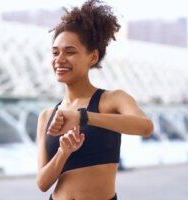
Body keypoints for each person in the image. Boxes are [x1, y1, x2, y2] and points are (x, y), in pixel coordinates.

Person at [36, 0, 154, 199]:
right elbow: (42, 183)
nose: (59, 59)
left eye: (70, 52)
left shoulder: (112, 100)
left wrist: (83, 118)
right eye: (55, 52)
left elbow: (145, 127)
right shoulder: (47, 116)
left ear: (93, 57)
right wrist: (64, 152)